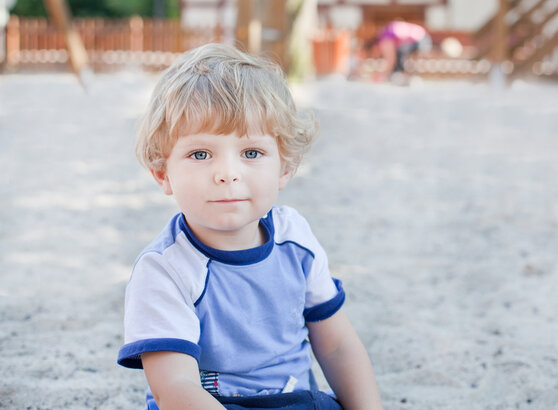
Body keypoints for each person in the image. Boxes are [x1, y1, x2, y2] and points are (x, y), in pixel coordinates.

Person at [117, 43, 383, 410]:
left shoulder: (295, 240)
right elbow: (175, 387)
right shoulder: (165, 271)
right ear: (163, 173)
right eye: (200, 154)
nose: (227, 174)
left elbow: (337, 344)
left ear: (284, 167)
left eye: (251, 153)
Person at [366, 20, 432, 82]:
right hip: (422, 37)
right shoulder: (387, 34)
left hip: (420, 39)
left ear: (374, 47)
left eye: (373, 53)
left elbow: (391, 60)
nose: (376, 55)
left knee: (399, 55)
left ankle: (401, 76)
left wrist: (380, 75)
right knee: (399, 55)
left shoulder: (385, 38)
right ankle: (402, 76)